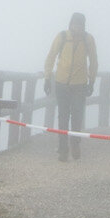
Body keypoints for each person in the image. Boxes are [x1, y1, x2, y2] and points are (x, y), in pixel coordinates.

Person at [44, 13, 98, 162]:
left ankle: (75, 142)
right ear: (70, 24)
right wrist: (47, 77)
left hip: (79, 84)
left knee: (77, 115)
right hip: (61, 83)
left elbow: (93, 61)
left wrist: (91, 81)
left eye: (80, 25)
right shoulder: (62, 37)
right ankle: (63, 149)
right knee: (63, 116)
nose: (77, 28)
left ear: (84, 26)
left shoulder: (88, 40)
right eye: (75, 24)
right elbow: (51, 56)